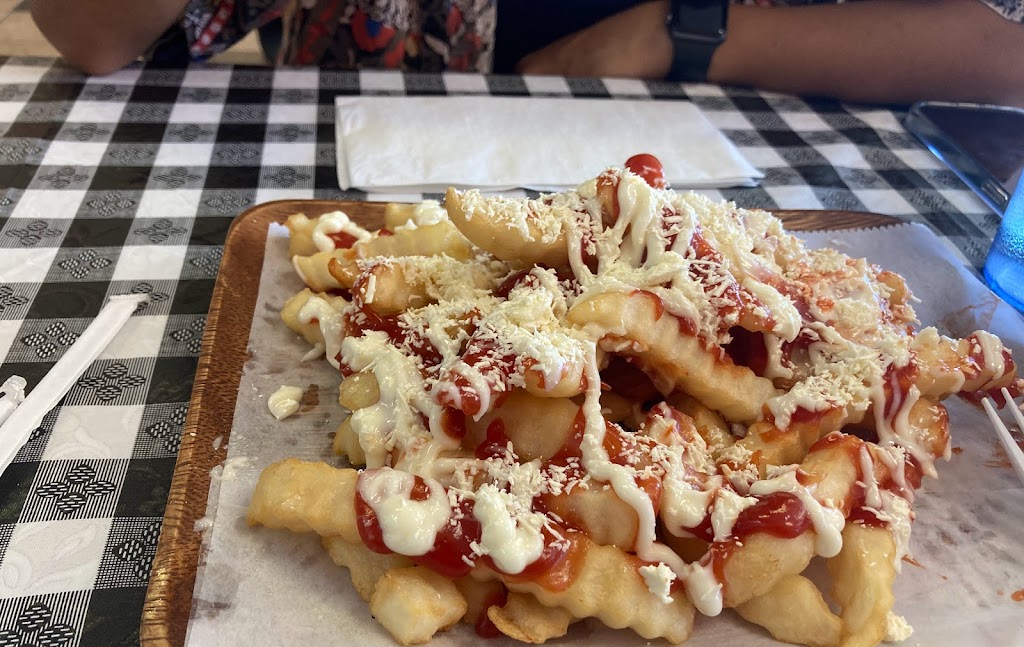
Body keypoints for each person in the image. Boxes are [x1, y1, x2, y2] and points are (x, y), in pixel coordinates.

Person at [29, 0, 1024, 106]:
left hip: (766, 195)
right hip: (368, 177)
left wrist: (680, 31)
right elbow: (88, 32)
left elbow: (997, 48)